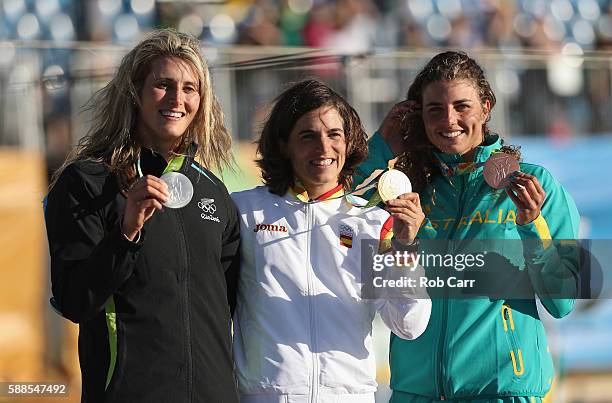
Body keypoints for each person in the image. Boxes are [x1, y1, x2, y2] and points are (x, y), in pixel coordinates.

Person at [356, 51, 581, 402]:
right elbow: (338, 204)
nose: (449, 120)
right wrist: (382, 142)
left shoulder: (533, 184)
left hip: (502, 391)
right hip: (416, 392)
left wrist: (531, 224)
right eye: (435, 109)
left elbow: (563, 301)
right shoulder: (406, 186)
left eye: (462, 106)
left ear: (486, 107)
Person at [44, 29, 240, 403]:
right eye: (163, 85)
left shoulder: (213, 190)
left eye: (189, 88)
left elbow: (229, 305)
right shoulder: (88, 181)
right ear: (134, 92)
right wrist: (127, 231)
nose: (177, 99)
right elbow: (74, 300)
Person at [231, 79, 432, 403]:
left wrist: (406, 249)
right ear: (284, 144)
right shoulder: (244, 211)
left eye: (334, 135)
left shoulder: (374, 222)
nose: (323, 148)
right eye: (308, 136)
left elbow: (409, 324)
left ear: (349, 142)